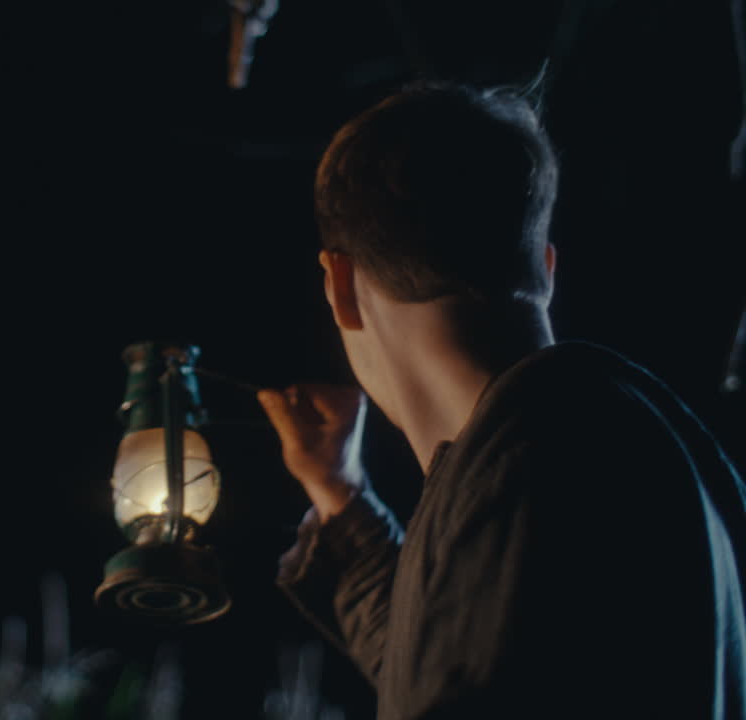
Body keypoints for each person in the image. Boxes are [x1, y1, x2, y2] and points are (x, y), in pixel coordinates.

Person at [257, 82, 746, 719]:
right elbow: (441, 663)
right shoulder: (580, 429)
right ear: (544, 267)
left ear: (341, 285)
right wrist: (339, 494)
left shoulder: (541, 456)